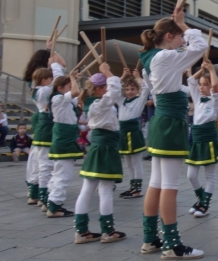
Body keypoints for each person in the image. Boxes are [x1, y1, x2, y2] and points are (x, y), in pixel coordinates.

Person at [138, 6, 206, 259]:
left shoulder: (152, 59)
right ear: (169, 36)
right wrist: (185, 25)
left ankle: (150, 240)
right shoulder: (164, 58)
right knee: (168, 185)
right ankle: (172, 245)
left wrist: (179, 25)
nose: (182, 41)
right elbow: (199, 47)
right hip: (169, 125)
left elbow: (186, 50)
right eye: (179, 37)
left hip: (161, 123)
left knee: (156, 182)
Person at [74, 64, 127, 244]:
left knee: (88, 189)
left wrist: (111, 76)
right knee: (104, 190)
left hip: (100, 147)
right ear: (98, 89)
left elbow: (114, 91)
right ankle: (107, 231)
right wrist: (108, 72)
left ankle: (82, 231)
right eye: (104, 86)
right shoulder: (99, 103)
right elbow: (113, 91)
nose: (107, 89)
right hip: (105, 147)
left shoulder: (96, 103)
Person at [185, 60, 218, 218]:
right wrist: (201, 71)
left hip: (208, 138)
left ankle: (205, 205)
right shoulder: (196, 96)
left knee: (209, 175)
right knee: (191, 175)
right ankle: (201, 199)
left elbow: (215, 87)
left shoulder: (216, 100)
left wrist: (212, 69)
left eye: (204, 85)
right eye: (200, 84)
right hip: (196, 138)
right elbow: (190, 80)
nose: (201, 87)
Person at [31, 54, 66, 211]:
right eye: (49, 78)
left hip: (43, 129)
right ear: (44, 80)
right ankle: (44, 199)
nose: (52, 80)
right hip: (45, 129)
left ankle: (42, 197)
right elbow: (59, 81)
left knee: (44, 165)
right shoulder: (43, 90)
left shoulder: (40, 90)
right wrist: (54, 65)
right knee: (45, 166)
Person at [46, 71, 83, 218]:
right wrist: (72, 78)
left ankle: (51, 201)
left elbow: (77, 93)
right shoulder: (57, 99)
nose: (70, 89)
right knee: (63, 175)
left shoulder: (63, 99)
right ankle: (54, 205)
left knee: (59, 173)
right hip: (63, 140)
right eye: (67, 86)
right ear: (60, 88)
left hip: (65, 138)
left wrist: (75, 80)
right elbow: (75, 93)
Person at [116, 68, 149, 199]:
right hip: (123, 133)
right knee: (128, 163)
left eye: (132, 89)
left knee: (136, 162)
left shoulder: (139, 100)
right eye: (127, 89)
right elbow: (113, 89)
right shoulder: (121, 101)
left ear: (137, 90)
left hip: (134, 133)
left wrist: (137, 77)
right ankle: (132, 187)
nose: (129, 92)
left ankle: (138, 189)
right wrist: (123, 76)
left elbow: (146, 88)